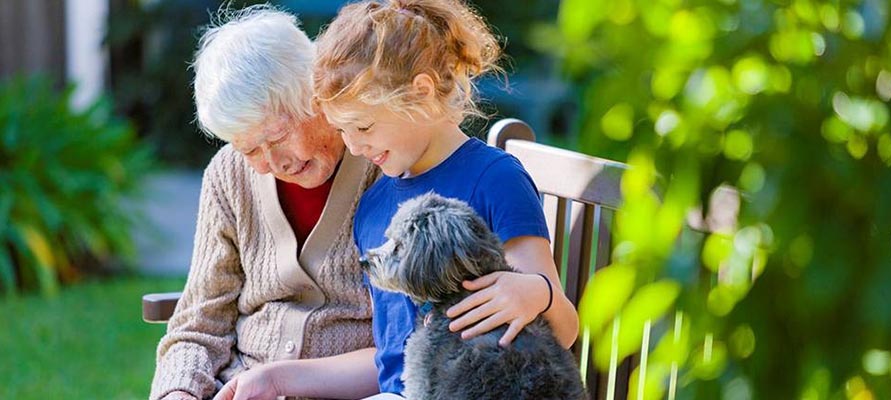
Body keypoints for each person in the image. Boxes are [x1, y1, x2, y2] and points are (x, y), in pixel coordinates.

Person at [312, 0, 580, 397]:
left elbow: (562, 329)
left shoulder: (495, 180)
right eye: (343, 132)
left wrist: (537, 293)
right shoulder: (373, 207)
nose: (353, 146)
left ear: (421, 93)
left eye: (363, 126)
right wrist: (276, 376)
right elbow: (389, 361)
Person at [149, 6, 381, 400]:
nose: (274, 164)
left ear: (315, 93)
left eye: (276, 137)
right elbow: (199, 326)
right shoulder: (228, 175)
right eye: (249, 148)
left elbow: (415, 342)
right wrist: (179, 392)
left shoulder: (384, 160)